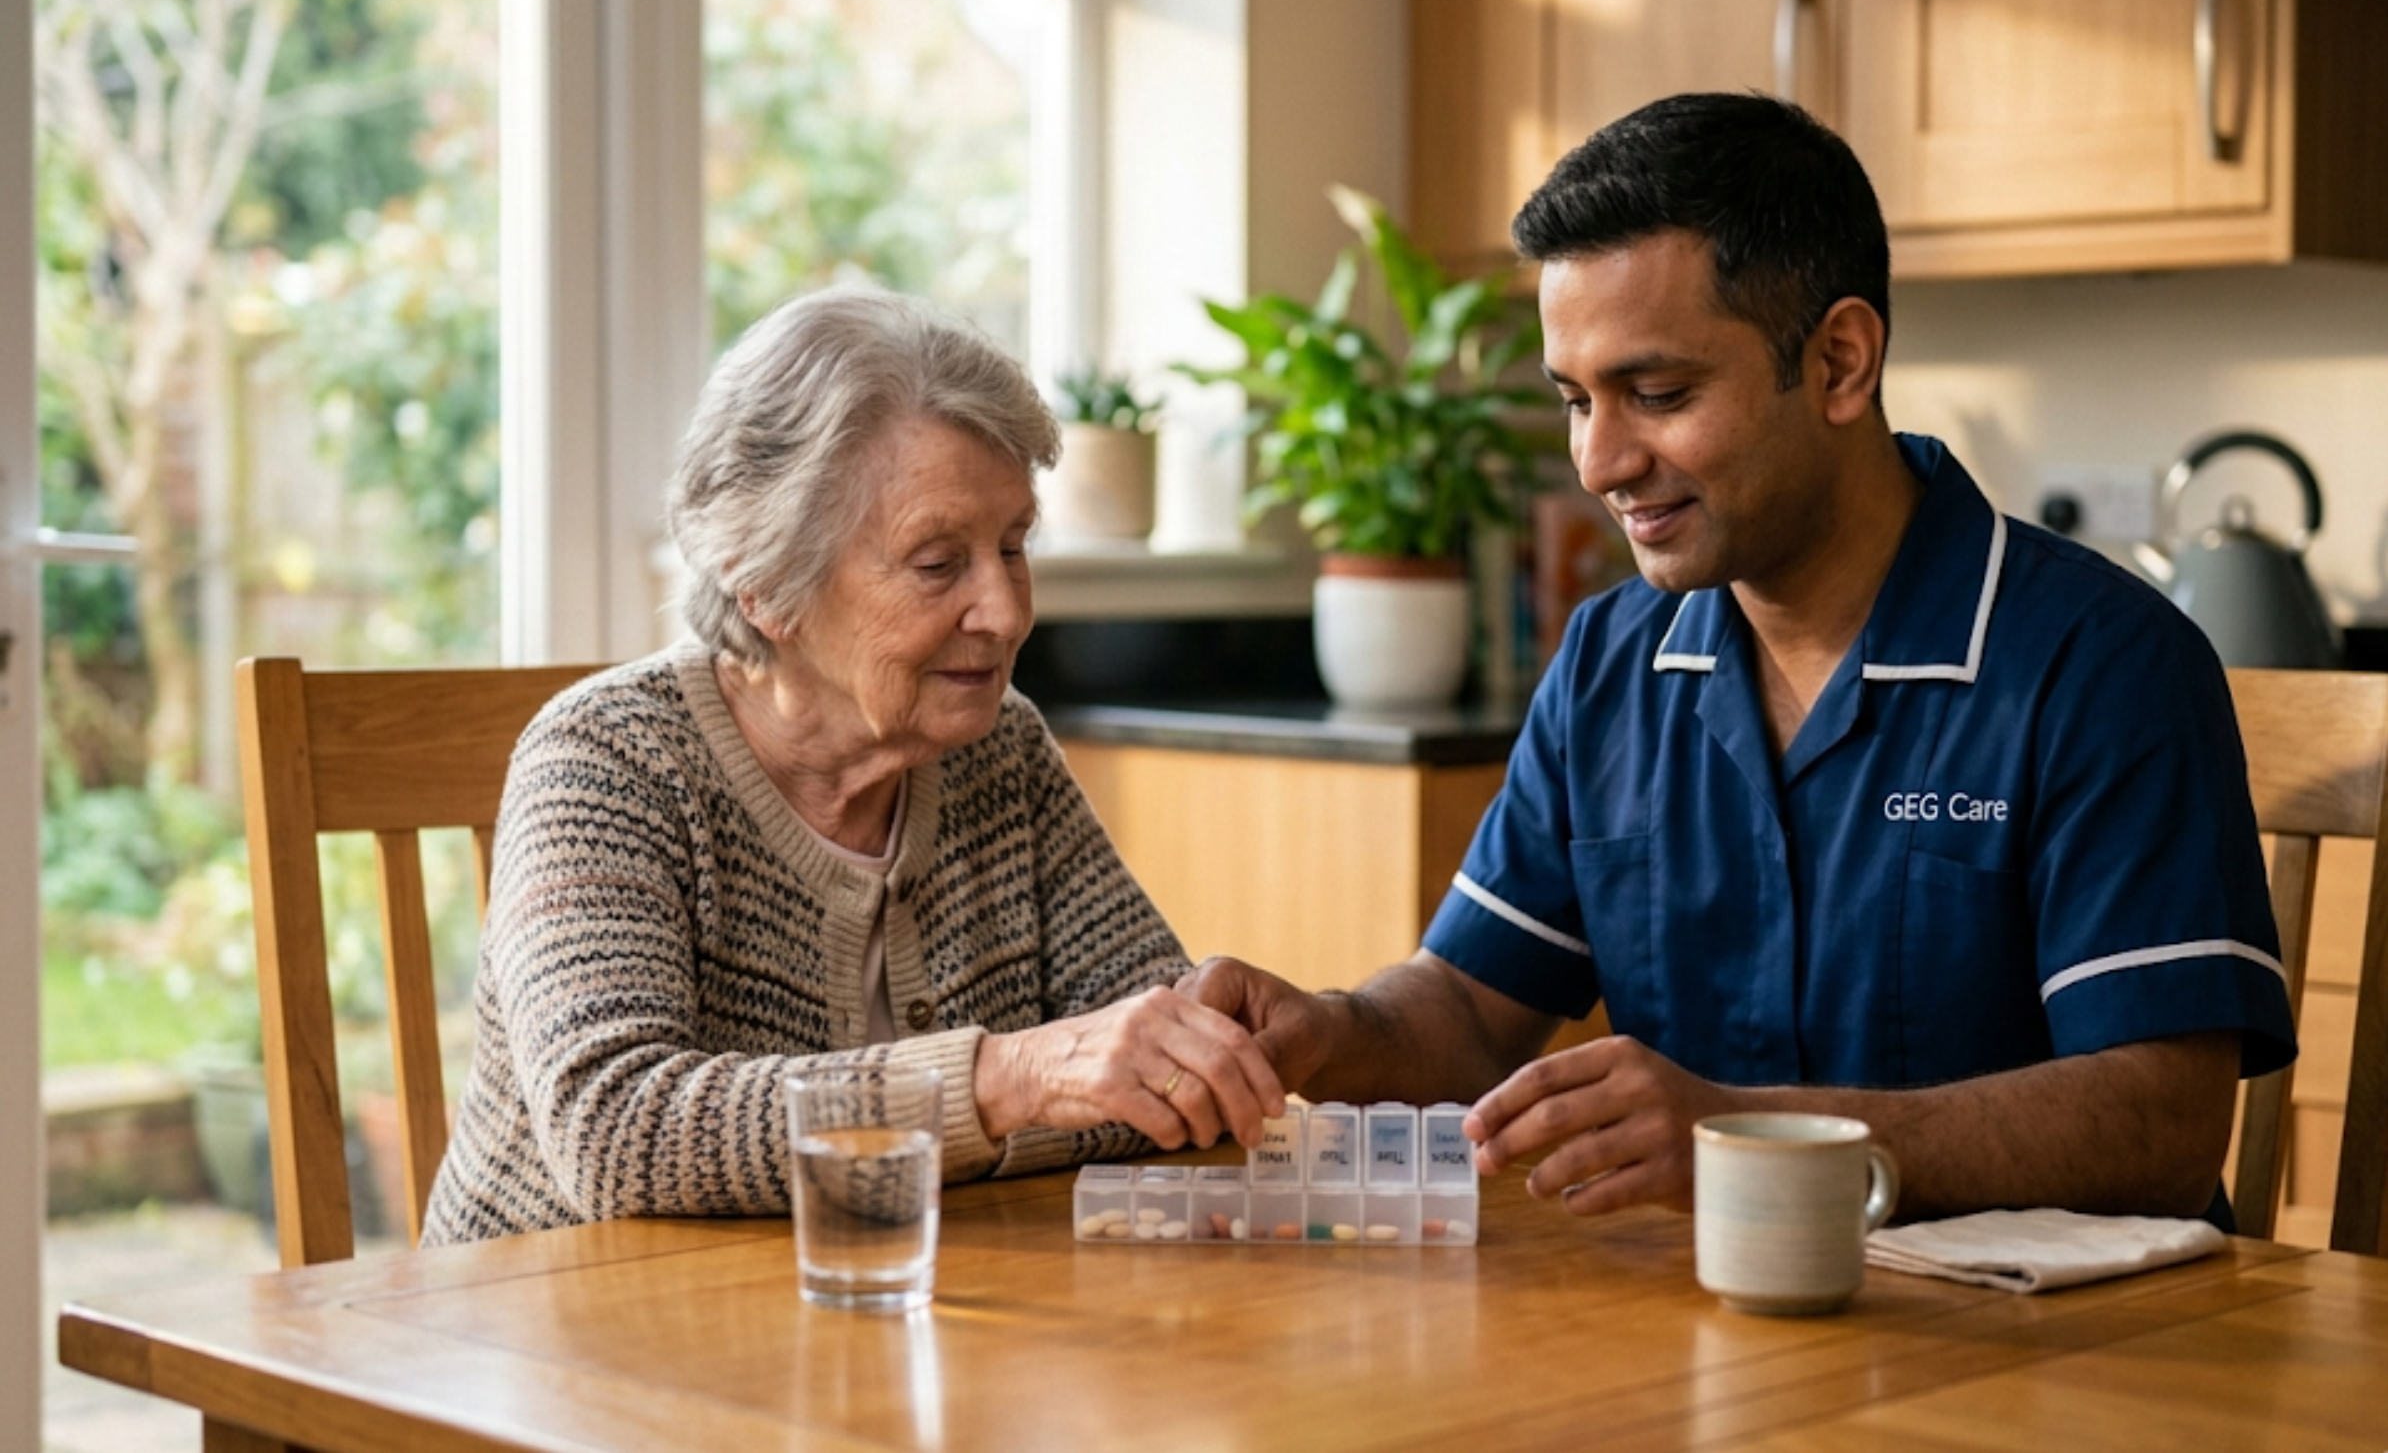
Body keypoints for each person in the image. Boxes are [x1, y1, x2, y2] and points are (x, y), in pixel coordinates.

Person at [1184, 92, 2296, 1226]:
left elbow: (2165, 1124)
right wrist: (1330, 1031)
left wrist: (1747, 1138)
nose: (1599, 462)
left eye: (1657, 395)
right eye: (1575, 401)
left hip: (2058, 1330)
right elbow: (1469, 1015)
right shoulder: (1609, 663)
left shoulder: (2104, 663)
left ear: (1841, 362)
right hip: (1716, 1311)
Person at [423, 287, 1281, 1245]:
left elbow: (1157, 1064)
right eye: (937, 564)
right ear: (766, 583)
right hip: (560, 1319)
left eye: (1013, 547)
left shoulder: (1000, 752)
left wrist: (1125, 1068)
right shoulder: (608, 762)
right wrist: (1007, 1083)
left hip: (888, 1314)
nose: (1005, 611)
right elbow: (617, 1132)